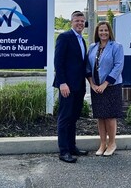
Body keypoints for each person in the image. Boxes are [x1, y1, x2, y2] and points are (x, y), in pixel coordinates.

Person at [53, 10, 89, 163]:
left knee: (73, 118)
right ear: (71, 22)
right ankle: (64, 151)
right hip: (66, 86)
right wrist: (62, 83)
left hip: (79, 86)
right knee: (65, 118)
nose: (80, 23)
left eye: (82, 21)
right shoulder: (65, 37)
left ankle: (72, 146)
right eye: (77, 21)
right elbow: (58, 62)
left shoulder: (82, 40)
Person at [86, 21, 124, 156]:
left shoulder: (117, 47)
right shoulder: (92, 47)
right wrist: (92, 84)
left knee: (109, 116)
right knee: (100, 117)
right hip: (96, 87)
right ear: (97, 32)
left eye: (106, 30)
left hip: (111, 86)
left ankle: (112, 143)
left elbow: (118, 66)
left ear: (110, 32)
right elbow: (88, 67)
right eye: (101, 30)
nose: (103, 33)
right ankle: (102, 143)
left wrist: (105, 84)